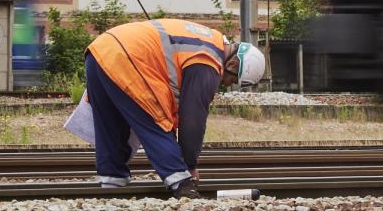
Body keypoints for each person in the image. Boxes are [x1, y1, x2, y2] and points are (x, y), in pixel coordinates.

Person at [84, 19, 265, 198]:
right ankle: (182, 184)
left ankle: (112, 182)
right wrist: (189, 166)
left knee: (111, 122)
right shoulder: (208, 61)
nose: (226, 84)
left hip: (100, 51)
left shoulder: (207, 41)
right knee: (156, 121)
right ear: (232, 64)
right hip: (127, 56)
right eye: (232, 80)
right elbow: (193, 119)